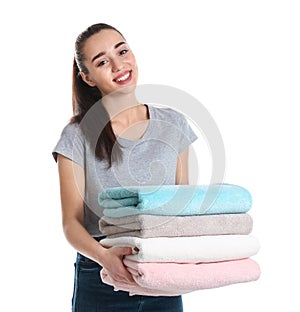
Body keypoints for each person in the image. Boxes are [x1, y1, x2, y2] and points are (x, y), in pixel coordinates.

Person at [53, 23, 197, 312]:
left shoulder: (173, 125)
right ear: (87, 77)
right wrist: (106, 258)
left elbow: (184, 207)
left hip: (161, 275)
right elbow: (71, 223)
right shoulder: (77, 136)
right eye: (103, 61)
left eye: (122, 51)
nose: (119, 65)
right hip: (101, 275)